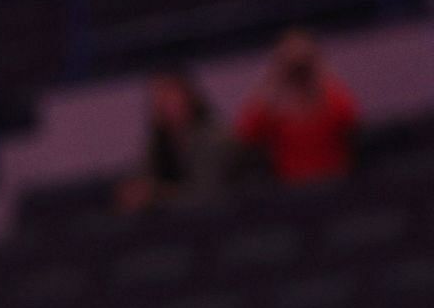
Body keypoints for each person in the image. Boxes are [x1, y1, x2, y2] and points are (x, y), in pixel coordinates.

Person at [232, 27, 360, 184]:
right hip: (291, 191)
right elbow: (245, 135)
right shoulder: (274, 107)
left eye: (304, 60)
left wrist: (321, 75)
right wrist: (273, 81)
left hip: (336, 183)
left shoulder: (330, 97)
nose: (298, 67)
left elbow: (350, 119)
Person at [115, 68, 237, 212]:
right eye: (156, 96)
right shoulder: (160, 142)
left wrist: (158, 193)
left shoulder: (213, 138)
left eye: (168, 94)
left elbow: (207, 196)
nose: (161, 102)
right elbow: (144, 176)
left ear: (189, 96)